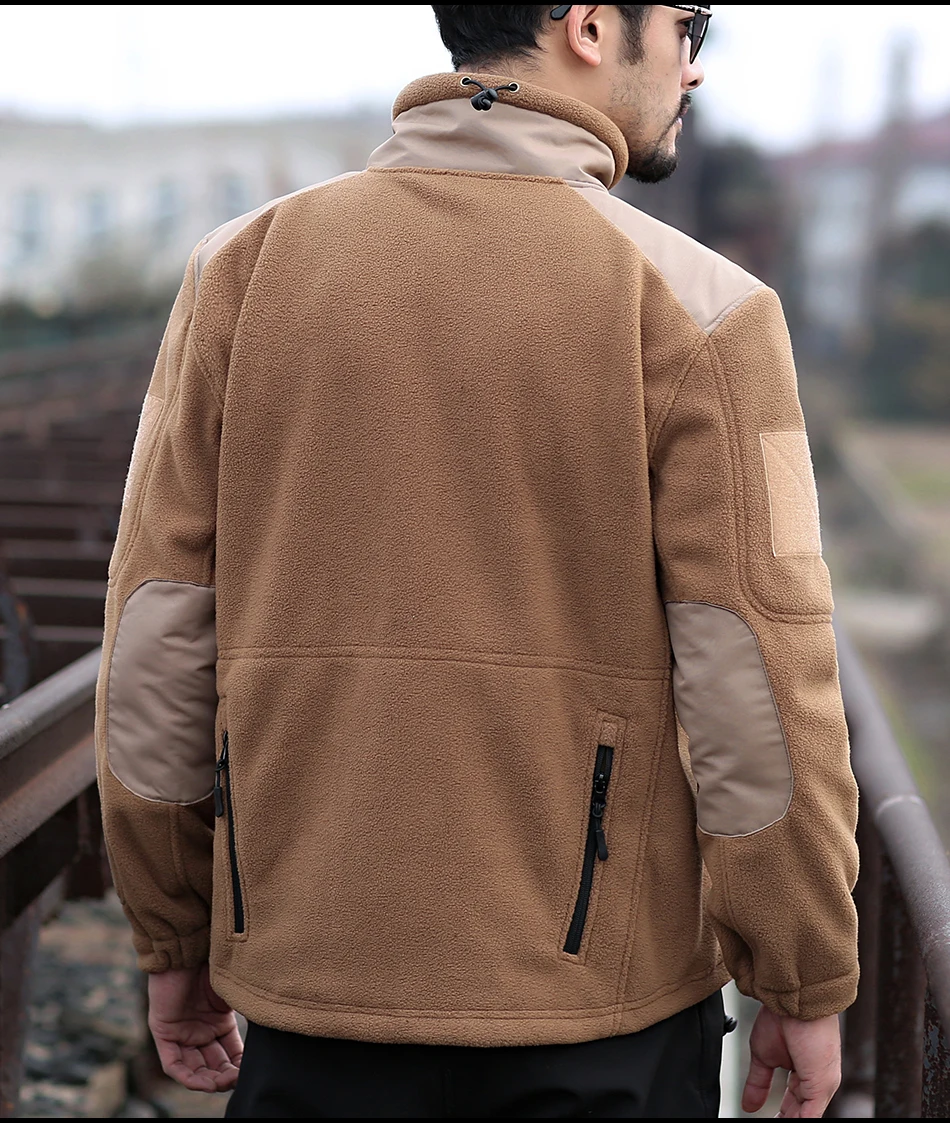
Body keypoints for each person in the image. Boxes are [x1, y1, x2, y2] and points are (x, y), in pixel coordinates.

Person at [95, 4, 859, 1118]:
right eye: (688, 26)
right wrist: (800, 969)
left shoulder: (241, 271)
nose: (693, 69)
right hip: (599, 1017)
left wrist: (171, 933)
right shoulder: (706, 310)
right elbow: (760, 672)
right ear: (589, 26)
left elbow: (156, 629)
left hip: (308, 991)